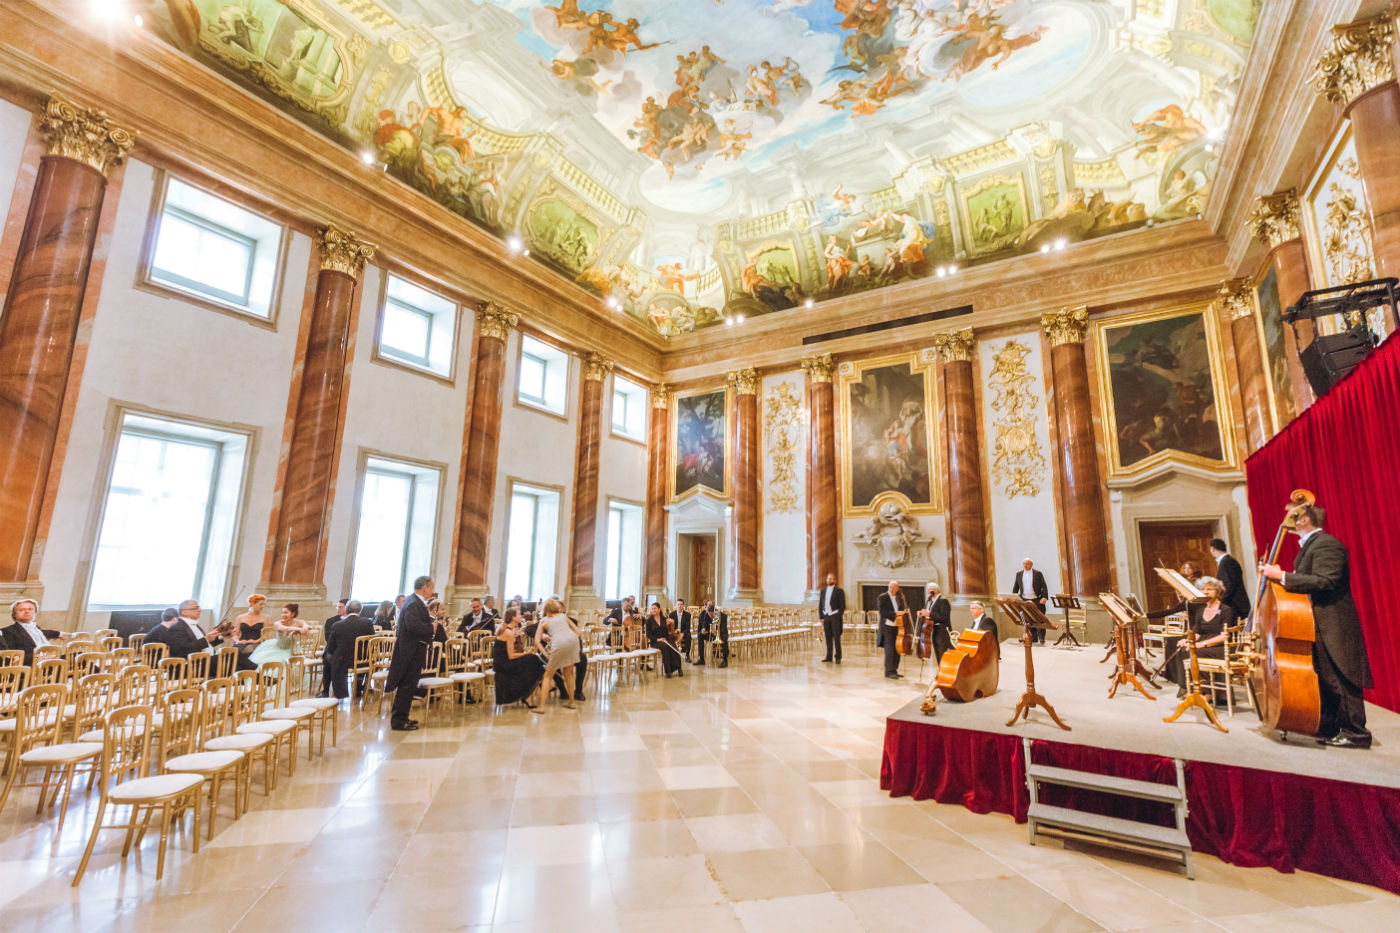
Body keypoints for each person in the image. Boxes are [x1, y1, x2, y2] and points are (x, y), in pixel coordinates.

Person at [1261, 503, 1372, 748]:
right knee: (1325, 677)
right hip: (1315, 621)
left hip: (1333, 622)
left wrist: (1282, 577)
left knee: (1340, 676)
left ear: (1304, 520)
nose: (1288, 520)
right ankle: (1331, 726)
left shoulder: (1327, 544)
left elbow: (1326, 581)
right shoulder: (1312, 546)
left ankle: (1356, 733)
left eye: (1293, 516)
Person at [385, 575, 436, 731]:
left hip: (413, 649)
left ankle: (403, 717)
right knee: (407, 686)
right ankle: (399, 721)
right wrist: (431, 628)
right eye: (431, 587)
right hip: (411, 651)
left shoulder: (413, 601)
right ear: (425, 587)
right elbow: (413, 626)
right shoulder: (414, 603)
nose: (432, 591)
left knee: (409, 686)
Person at [493, 609, 546, 710]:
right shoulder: (508, 632)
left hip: (503, 661)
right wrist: (526, 653)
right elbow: (511, 656)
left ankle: (527, 696)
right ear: (513, 618)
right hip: (503, 664)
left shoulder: (509, 629)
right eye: (518, 614)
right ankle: (527, 696)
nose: (520, 615)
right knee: (534, 661)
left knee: (534, 662)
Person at [324, 599, 375, 700]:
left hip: (343, 662)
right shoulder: (368, 623)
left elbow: (331, 646)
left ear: (346, 610)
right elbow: (372, 642)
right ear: (360, 611)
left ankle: (326, 691)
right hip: (362, 662)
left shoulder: (337, 625)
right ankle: (358, 686)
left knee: (326, 657)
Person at [537, 599, 581, 710]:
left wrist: (545, 654)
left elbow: (537, 641)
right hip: (573, 641)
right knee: (569, 672)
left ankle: (541, 706)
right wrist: (570, 639)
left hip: (559, 644)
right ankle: (571, 702)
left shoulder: (544, 621)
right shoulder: (562, 616)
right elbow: (578, 632)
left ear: (545, 609)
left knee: (548, 675)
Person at [147, 599, 214, 659]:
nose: (200, 610)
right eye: (195, 608)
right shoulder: (176, 628)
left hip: (202, 657)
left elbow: (201, 644)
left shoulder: (193, 624)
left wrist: (217, 637)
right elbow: (181, 650)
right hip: (189, 662)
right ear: (184, 612)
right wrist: (206, 639)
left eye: (199, 608)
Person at [2, 598, 61, 664]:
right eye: (21, 610)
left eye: (30, 609)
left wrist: (60, 634)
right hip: (32, 666)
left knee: (72, 657)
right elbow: (13, 658)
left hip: (49, 661)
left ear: (35, 612)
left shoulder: (36, 629)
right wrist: (43, 657)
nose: (27, 612)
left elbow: (47, 633)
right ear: (14, 614)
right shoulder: (8, 631)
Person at [1209, 538, 1251, 620]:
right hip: (1237, 604)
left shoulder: (1226, 562)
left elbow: (1228, 585)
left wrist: (1219, 602)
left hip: (1235, 605)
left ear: (1212, 549)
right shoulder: (1229, 560)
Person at [1012, 558, 1049, 643]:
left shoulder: (1038, 573)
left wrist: (1044, 597)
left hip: (1037, 599)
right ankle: (1033, 638)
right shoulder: (1019, 574)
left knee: (1040, 619)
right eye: (1024, 564)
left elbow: (1044, 586)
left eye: (1027, 564)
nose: (1025, 565)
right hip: (1025, 600)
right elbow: (1016, 587)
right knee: (1028, 619)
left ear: (1031, 564)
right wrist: (1014, 598)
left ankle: (1042, 638)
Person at [878, 580, 908, 679]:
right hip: (888, 626)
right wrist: (896, 614)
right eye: (892, 587)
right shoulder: (883, 597)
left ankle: (895, 670)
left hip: (898, 625)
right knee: (889, 649)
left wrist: (904, 611)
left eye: (895, 588)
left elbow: (901, 609)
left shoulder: (899, 598)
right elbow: (882, 612)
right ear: (889, 587)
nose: (893, 589)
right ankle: (888, 671)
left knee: (897, 648)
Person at [646, 602, 683, 677]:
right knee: (665, 647)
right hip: (655, 642)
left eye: (655, 608)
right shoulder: (649, 621)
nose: (653, 610)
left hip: (665, 639)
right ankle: (668, 671)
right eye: (652, 608)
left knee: (673, 645)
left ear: (659, 609)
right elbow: (648, 635)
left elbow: (670, 627)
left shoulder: (664, 619)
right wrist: (658, 639)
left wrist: (672, 622)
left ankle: (679, 668)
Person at [919, 582, 953, 662]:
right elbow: (932, 617)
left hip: (942, 632)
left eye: (930, 590)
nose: (928, 592)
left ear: (936, 590)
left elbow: (944, 616)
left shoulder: (943, 600)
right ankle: (940, 671)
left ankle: (944, 672)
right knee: (938, 653)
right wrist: (924, 615)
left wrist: (929, 613)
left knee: (943, 653)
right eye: (928, 590)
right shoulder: (932, 601)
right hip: (935, 631)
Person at [818, 572, 846, 664]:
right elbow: (820, 605)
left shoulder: (839, 591)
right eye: (827, 578)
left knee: (836, 638)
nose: (829, 580)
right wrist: (821, 617)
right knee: (828, 637)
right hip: (826, 616)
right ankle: (829, 656)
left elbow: (842, 606)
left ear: (835, 580)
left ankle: (838, 657)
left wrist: (838, 616)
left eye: (831, 579)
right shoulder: (823, 591)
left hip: (835, 616)